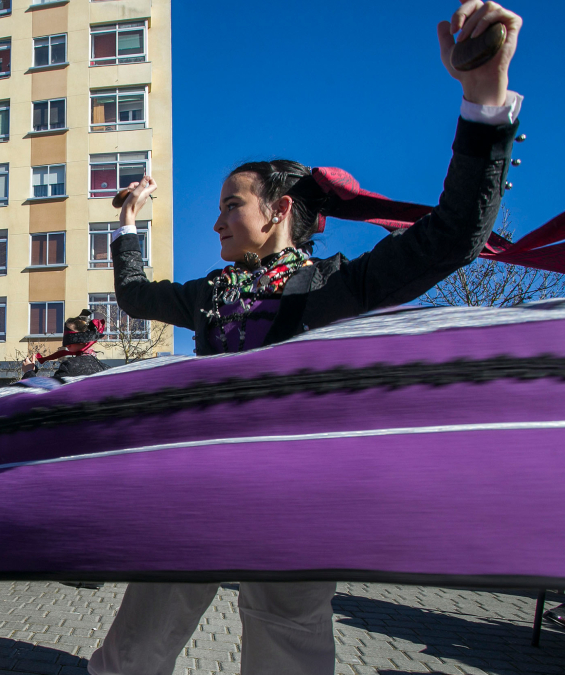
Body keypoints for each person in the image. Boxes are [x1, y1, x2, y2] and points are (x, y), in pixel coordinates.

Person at [88, 4, 524, 674]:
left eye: (231, 204)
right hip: (198, 486)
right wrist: (130, 222)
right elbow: (134, 295)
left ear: (280, 209)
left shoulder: (333, 286)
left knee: (287, 643)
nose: (217, 224)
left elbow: (454, 233)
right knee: (131, 649)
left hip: (291, 495)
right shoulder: (212, 292)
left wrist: (483, 100)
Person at [21, 310, 109, 380]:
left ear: (82, 340)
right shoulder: (105, 369)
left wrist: (29, 372)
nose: (67, 345)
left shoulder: (70, 367)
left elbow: (48, 396)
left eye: (70, 339)